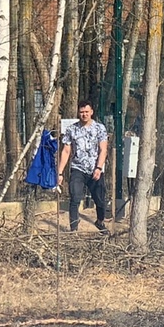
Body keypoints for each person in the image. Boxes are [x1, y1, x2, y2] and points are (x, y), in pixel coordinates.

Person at [57, 100, 110, 234]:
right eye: (81, 112)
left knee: (100, 201)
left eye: (86, 112)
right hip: (77, 169)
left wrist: (98, 168)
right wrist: (60, 172)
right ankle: (73, 228)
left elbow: (103, 150)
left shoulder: (100, 128)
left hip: (95, 169)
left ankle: (100, 221)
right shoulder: (72, 129)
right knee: (75, 197)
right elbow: (66, 151)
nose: (84, 114)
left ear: (91, 112)